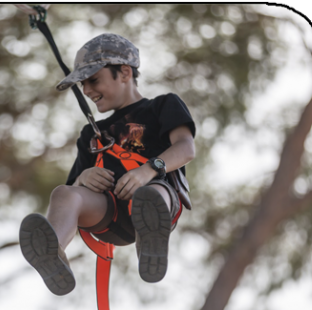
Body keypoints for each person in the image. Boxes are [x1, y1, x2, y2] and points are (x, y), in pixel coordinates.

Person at [19, 33, 196, 295]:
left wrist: (148, 170)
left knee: (150, 194)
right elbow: (74, 190)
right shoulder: (91, 133)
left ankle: (150, 243)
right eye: (83, 85)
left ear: (124, 73)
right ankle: (52, 250)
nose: (87, 91)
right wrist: (83, 178)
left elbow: (185, 147)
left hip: (154, 201)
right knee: (63, 194)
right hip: (109, 213)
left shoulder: (162, 106)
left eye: (93, 80)